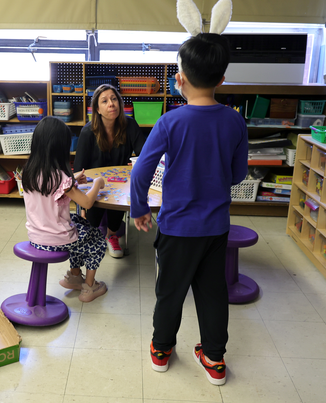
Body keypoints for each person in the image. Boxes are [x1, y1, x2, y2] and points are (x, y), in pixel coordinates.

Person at [129, 32, 249, 385]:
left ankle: (162, 350)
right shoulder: (234, 120)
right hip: (215, 227)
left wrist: (139, 209)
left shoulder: (170, 121)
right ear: (222, 79)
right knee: (213, 293)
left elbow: (141, 170)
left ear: (179, 78)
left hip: (177, 228)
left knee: (170, 291)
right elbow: (238, 173)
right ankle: (214, 359)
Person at [22, 117, 109, 302]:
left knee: (78, 222)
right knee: (97, 240)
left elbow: (51, 189)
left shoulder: (29, 171)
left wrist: (74, 179)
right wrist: (98, 184)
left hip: (36, 236)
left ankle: (75, 276)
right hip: (56, 238)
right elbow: (86, 203)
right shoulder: (60, 177)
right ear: (59, 147)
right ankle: (90, 287)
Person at [74, 84, 146, 258]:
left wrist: (136, 163)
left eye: (114, 99)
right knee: (91, 219)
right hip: (93, 184)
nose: (111, 104)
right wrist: (81, 206)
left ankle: (112, 235)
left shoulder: (130, 124)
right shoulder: (87, 132)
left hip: (120, 183)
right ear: (97, 109)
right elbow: (78, 172)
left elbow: (144, 154)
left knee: (120, 199)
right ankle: (93, 234)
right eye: (105, 101)